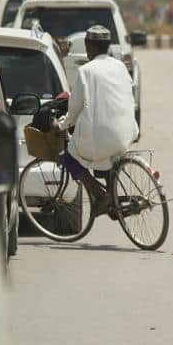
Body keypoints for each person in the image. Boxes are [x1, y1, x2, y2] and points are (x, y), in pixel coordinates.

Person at [54, 25, 139, 215]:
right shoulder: (120, 66)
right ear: (107, 46)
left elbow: (74, 110)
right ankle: (114, 199)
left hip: (102, 139)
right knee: (107, 154)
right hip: (127, 134)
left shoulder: (86, 71)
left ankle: (100, 196)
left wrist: (60, 125)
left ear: (88, 46)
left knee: (69, 156)